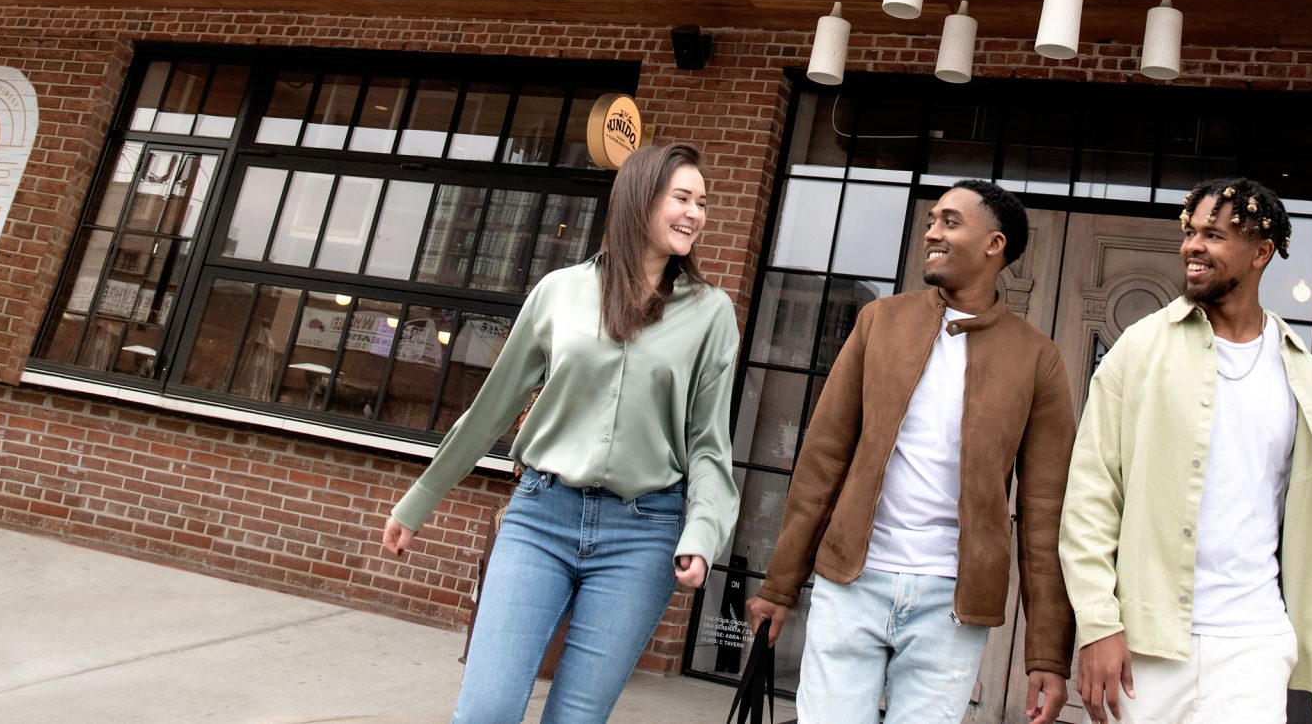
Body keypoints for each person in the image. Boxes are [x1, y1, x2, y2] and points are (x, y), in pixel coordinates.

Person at [379, 142, 740, 724]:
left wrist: (702, 531)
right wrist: (421, 498)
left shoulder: (711, 313)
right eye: (682, 198)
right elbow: (492, 408)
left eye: (702, 202)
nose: (696, 214)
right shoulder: (559, 291)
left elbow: (708, 443)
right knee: (486, 710)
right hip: (540, 517)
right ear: (639, 200)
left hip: (642, 534)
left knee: (575, 717)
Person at [745, 180, 1076, 724]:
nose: (931, 233)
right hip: (852, 582)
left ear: (995, 245)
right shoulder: (881, 322)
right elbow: (823, 461)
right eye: (931, 221)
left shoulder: (1037, 359)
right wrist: (780, 584)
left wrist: (1046, 653)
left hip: (952, 603)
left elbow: (1045, 515)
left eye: (949, 221)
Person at [1060, 177, 1312, 724]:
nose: (1193, 246)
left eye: (1216, 235)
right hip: (1148, 643)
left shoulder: (1306, 377)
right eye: (1192, 232)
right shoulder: (1140, 348)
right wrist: (1099, 622)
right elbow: (1091, 493)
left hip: (1256, 641)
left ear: (1261, 252)